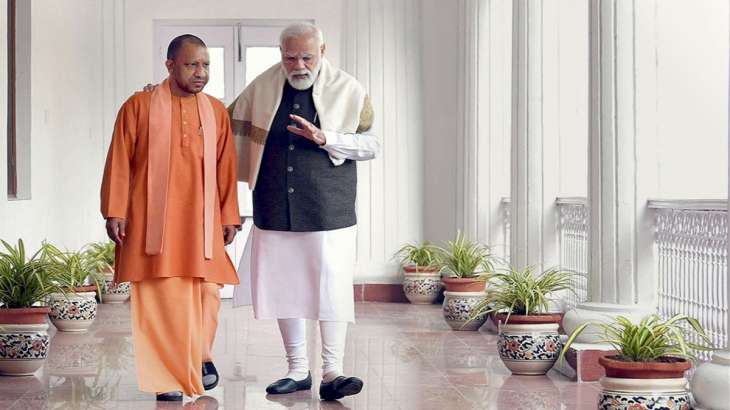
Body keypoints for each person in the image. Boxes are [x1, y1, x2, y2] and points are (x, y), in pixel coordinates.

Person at [230, 22, 379, 401]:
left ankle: (333, 371)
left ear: (322, 52)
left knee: (331, 287)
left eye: (306, 56)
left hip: (329, 209)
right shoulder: (262, 88)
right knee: (284, 287)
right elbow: (220, 125)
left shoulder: (348, 90)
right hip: (274, 205)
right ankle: (297, 370)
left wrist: (325, 137)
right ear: (281, 54)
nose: (298, 64)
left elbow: (371, 145)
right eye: (290, 56)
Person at [100, 34, 240, 401]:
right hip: (152, 221)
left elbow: (226, 168)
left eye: (206, 65)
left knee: (208, 290)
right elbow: (119, 159)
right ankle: (166, 377)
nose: (201, 72)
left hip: (203, 221)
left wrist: (229, 215)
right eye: (192, 64)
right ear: (170, 65)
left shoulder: (215, 111)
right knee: (162, 296)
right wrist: (115, 209)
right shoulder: (138, 106)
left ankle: (199, 356)